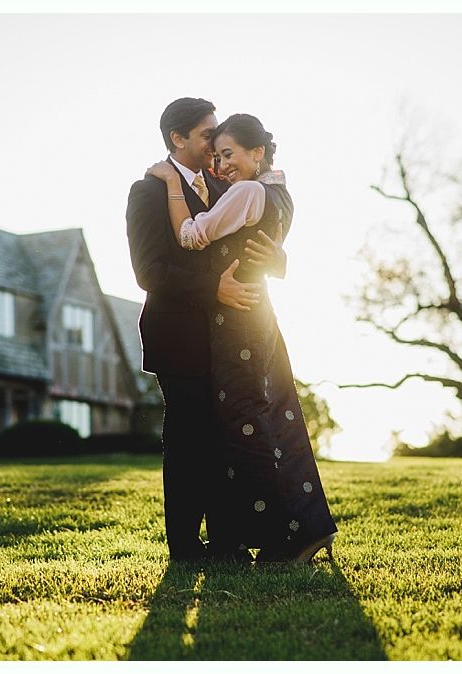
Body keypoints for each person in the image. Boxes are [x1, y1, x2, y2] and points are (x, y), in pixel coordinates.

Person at [146, 113, 337, 563]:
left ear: (258, 153)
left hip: (239, 324)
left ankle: (282, 539)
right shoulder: (275, 191)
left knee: (247, 428)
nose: (219, 162)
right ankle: (304, 528)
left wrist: (173, 184)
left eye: (227, 152)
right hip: (258, 319)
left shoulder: (248, 192)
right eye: (214, 152)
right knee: (278, 422)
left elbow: (192, 237)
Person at [125, 98, 286, 563]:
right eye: (205, 135)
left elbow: (259, 236)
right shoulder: (148, 192)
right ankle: (184, 546)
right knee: (188, 441)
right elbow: (148, 271)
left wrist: (278, 260)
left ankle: (227, 541)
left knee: (225, 438)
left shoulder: (229, 182)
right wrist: (213, 289)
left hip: (230, 337)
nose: (215, 144)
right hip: (178, 336)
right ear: (178, 139)